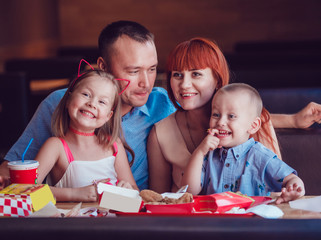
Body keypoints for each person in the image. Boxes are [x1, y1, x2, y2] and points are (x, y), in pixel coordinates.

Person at [0, 20, 176, 190]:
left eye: (152, 69)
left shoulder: (163, 104)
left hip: (133, 213)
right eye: (134, 71)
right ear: (103, 67)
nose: (146, 83)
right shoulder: (60, 103)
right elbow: (13, 171)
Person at [147, 37, 321, 194]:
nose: (184, 84)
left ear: (217, 78)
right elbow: (158, 198)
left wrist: (294, 121)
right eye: (177, 75)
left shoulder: (255, 124)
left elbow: (277, 186)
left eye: (196, 74)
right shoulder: (160, 133)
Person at [181, 83, 305, 204]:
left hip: (251, 221)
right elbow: (189, 190)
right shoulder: (208, 154)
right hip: (214, 222)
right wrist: (199, 152)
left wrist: (294, 190)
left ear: (253, 125)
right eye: (216, 115)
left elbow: (291, 179)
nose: (221, 122)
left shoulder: (261, 156)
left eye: (231, 116)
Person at [36, 68, 138, 202]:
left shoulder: (113, 145)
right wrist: (74, 194)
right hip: (73, 222)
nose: (92, 104)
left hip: (113, 222)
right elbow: (26, 192)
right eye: (86, 94)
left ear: (108, 116)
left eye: (102, 102)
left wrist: (129, 190)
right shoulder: (55, 146)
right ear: (68, 100)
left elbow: (136, 192)